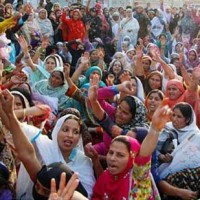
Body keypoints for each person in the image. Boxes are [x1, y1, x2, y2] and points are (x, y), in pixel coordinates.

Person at [0, 89, 96, 199]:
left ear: (79, 137)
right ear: (56, 131)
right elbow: (15, 132)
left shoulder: (84, 161)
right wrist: (8, 111)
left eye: (75, 132)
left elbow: (87, 193)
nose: (70, 135)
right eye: (65, 129)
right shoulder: (43, 145)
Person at [88, 74, 171, 199]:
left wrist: (154, 129)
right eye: (111, 153)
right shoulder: (106, 175)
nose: (112, 158)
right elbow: (103, 117)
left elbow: (143, 155)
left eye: (120, 154)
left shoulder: (138, 176)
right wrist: (96, 98)